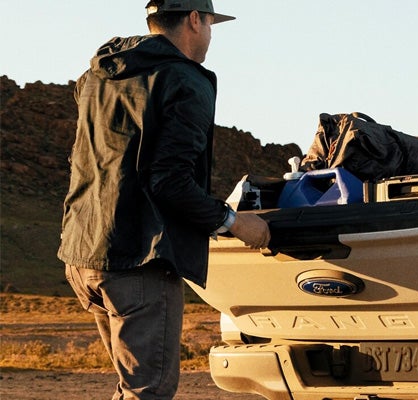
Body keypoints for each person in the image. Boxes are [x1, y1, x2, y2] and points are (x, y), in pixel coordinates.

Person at [57, 1, 270, 398]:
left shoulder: (98, 74)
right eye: (210, 24)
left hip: (84, 253)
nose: (210, 35)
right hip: (139, 259)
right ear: (194, 19)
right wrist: (236, 223)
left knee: (133, 389)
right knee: (148, 393)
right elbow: (170, 182)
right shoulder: (184, 80)